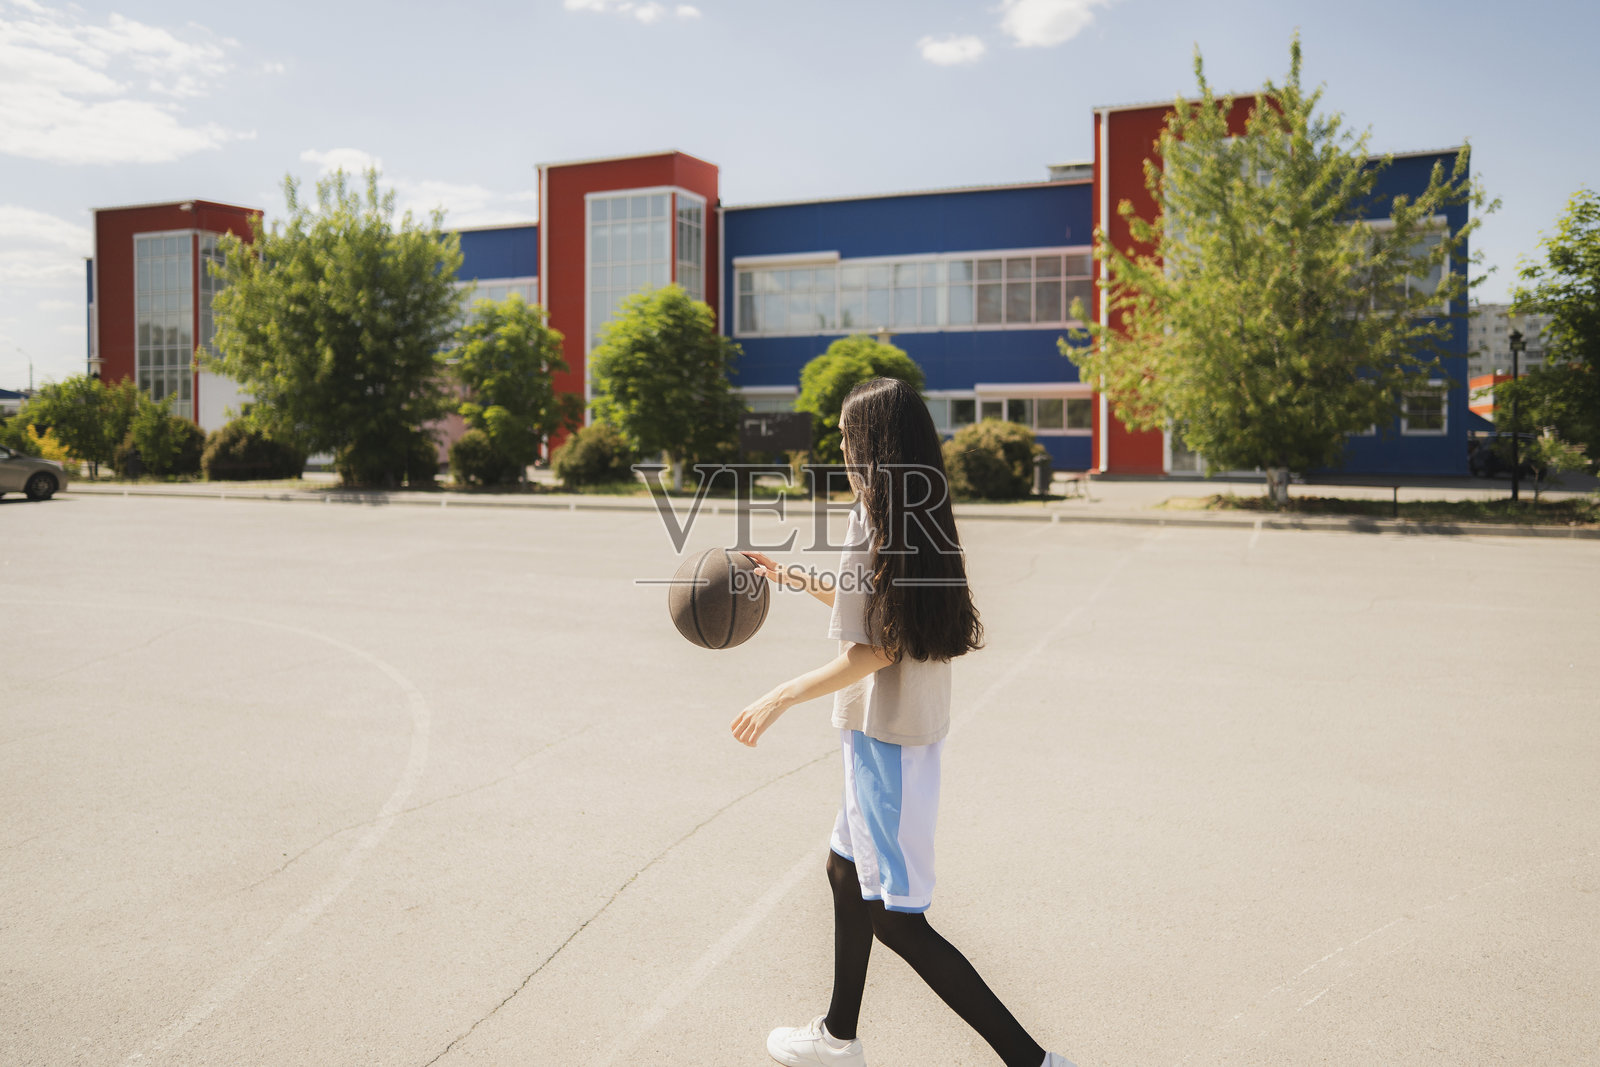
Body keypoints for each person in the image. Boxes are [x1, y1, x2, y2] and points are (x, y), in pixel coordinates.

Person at [733, 377, 1074, 1067]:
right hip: (883, 736)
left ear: (875, 444)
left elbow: (877, 649)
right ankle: (837, 1036)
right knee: (841, 868)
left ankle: (1034, 1061)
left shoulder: (890, 521)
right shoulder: (908, 511)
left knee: (897, 918)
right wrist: (792, 574)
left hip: (888, 745)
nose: (838, 445)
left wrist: (778, 695)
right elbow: (875, 613)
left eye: (845, 434)